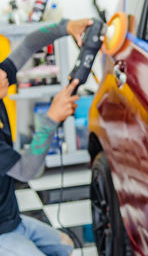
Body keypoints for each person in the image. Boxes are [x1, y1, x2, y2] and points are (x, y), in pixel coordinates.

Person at [0, 18, 92, 256]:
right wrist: (51, 117)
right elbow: (26, 171)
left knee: (66, 246)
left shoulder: (0, 81)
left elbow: (29, 44)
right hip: (2, 233)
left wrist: (66, 26)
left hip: (13, 222)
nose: (3, 77)